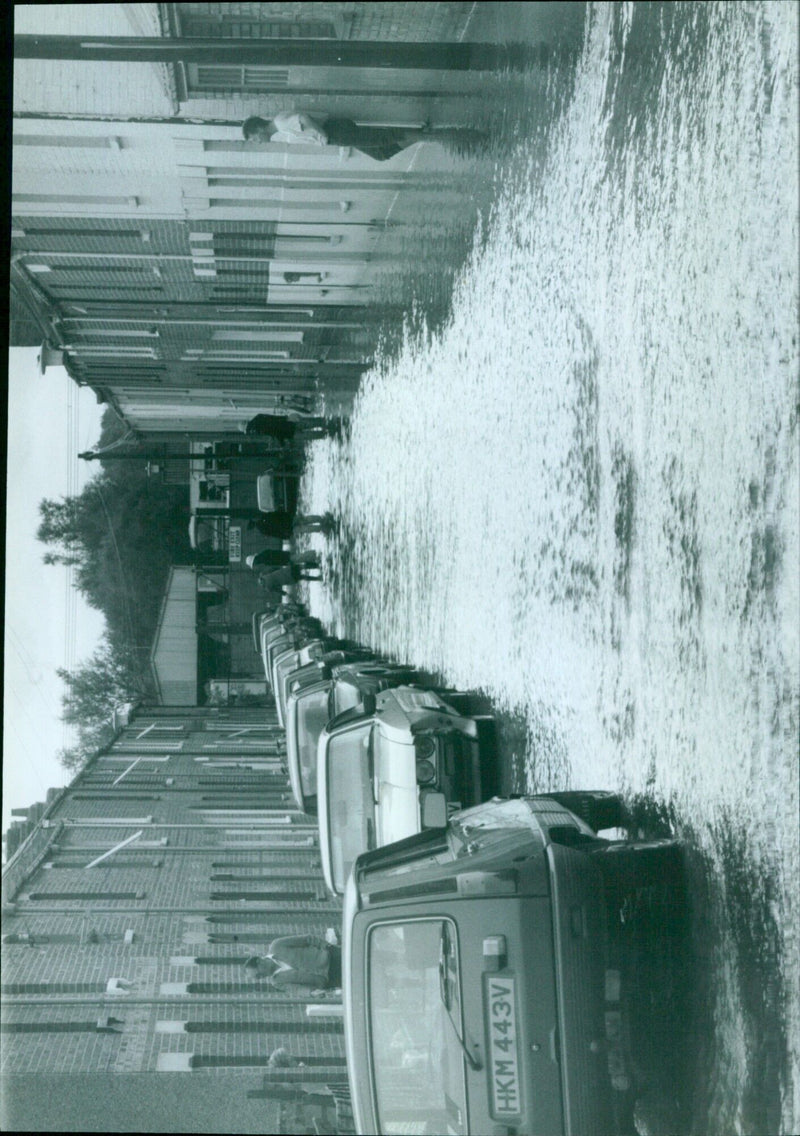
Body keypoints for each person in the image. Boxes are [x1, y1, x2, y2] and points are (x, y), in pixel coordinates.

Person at [243, 112, 488, 163]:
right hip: (339, 136)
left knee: (384, 138)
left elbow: (304, 118)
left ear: (257, 130)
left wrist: (323, 134)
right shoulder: (281, 132)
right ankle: (424, 134)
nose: (257, 143)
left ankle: (440, 136)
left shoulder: (281, 123)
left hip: (337, 132)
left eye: (253, 139)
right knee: (381, 153)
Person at [244, 931, 342, 992]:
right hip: (330, 980)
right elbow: (298, 990)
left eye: (258, 975)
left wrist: (328, 947)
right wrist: (312, 993)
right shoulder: (277, 982)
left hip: (332, 958)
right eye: (258, 978)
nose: (261, 978)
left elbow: (307, 939)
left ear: (259, 961)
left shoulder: (277, 946)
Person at [243, 412, 342, 443]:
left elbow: (275, 432)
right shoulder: (259, 417)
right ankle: (336, 422)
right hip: (290, 423)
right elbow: (274, 418)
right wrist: (286, 417)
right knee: (314, 422)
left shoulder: (258, 430)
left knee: (316, 435)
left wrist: (281, 443)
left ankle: (335, 433)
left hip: (290, 433)